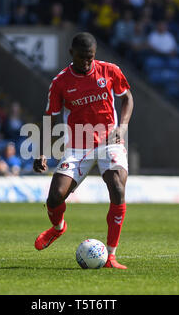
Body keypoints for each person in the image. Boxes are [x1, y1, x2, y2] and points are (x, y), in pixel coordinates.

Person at [33, 32, 134, 269]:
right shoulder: (60, 82)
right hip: (78, 147)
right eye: (82, 58)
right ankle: (58, 228)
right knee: (55, 196)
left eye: (90, 58)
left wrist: (124, 126)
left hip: (110, 141)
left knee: (117, 187)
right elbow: (49, 118)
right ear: (71, 54)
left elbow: (127, 98)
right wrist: (42, 151)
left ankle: (110, 256)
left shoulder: (109, 71)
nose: (86, 63)